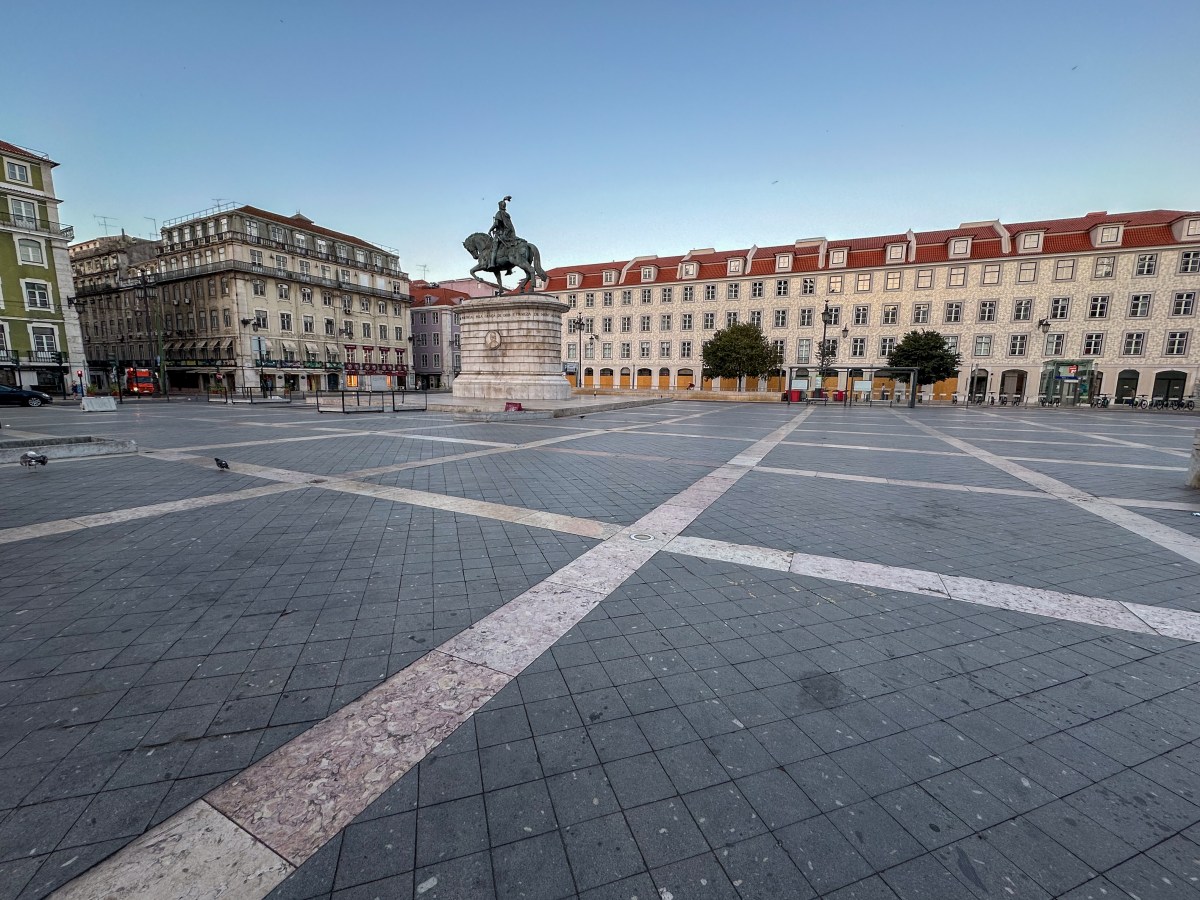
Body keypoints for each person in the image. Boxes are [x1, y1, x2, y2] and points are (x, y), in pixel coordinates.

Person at [489, 196, 516, 269]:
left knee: (494, 247)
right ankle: (509, 269)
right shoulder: (507, 214)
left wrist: (490, 230)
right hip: (508, 234)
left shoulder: (499, 213)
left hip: (500, 235)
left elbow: (496, 224)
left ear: (499, 206)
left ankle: (492, 263)